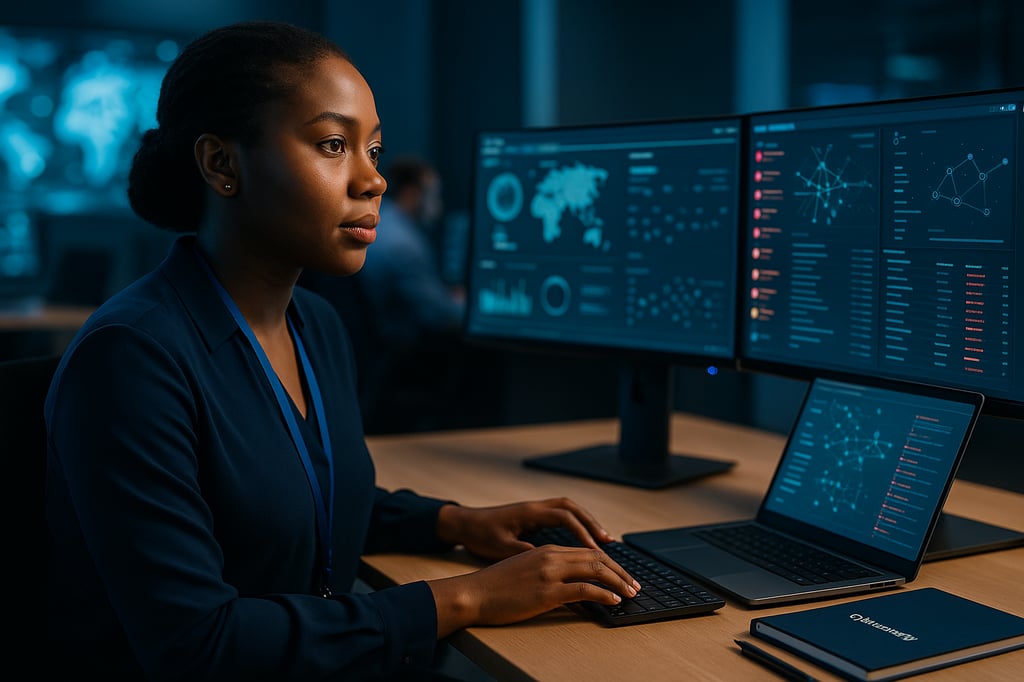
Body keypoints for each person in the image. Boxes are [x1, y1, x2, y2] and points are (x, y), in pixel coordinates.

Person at [43, 20, 639, 681]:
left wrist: (455, 522)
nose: (373, 181)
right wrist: (470, 595)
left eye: (374, 151)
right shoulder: (131, 359)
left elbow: (296, 503)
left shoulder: (317, 326)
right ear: (222, 164)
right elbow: (198, 645)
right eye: (333, 145)